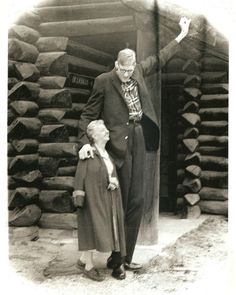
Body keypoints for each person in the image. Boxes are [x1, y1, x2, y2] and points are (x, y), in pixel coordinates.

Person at [77, 17, 191, 277]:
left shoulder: (139, 70)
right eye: (124, 70)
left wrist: (182, 35)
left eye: (130, 70)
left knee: (137, 200)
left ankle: (125, 258)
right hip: (117, 144)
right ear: (117, 65)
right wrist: (84, 143)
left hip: (139, 137)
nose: (128, 74)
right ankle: (116, 260)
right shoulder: (104, 81)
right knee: (123, 199)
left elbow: (160, 58)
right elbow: (86, 115)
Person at [73, 120, 126, 281]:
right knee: (90, 228)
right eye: (102, 130)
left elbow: (106, 174)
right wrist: (79, 197)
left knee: (105, 229)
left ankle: (83, 260)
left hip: (107, 197)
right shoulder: (88, 152)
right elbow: (80, 175)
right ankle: (89, 266)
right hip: (92, 198)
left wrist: (112, 182)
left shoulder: (106, 155)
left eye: (105, 129)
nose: (106, 132)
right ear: (93, 136)